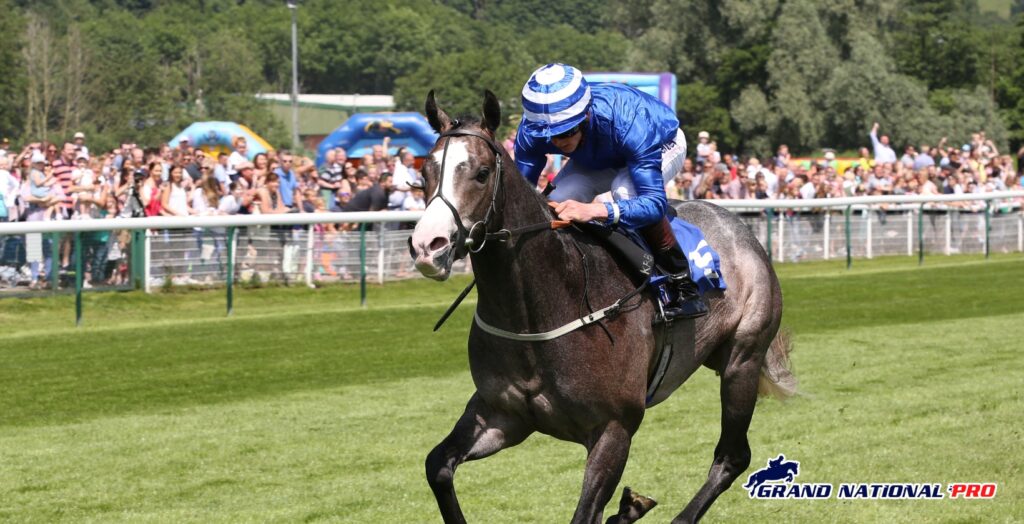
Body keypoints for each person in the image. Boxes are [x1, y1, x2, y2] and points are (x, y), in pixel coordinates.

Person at [514, 63, 707, 319]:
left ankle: (680, 281)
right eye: (551, 137)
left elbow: (654, 203)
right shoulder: (530, 130)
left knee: (624, 191)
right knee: (555, 202)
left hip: (660, 143)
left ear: (585, 115)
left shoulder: (630, 121)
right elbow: (520, 196)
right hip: (597, 154)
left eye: (567, 132)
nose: (560, 142)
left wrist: (594, 209)